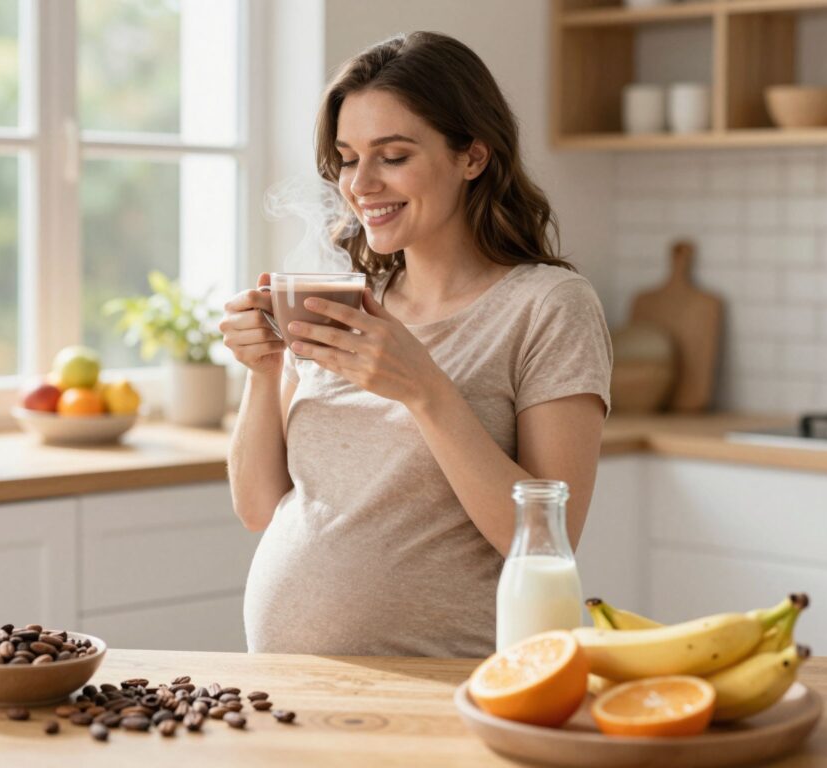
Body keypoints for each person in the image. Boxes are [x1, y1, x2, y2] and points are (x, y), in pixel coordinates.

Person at [219, 31, 612, 658]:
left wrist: (424, 391)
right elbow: (259, 507)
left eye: (393, 156)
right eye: (347, 158)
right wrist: (262, 371)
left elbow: (542, 544)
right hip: (289, 690)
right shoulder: (345, 298)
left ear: (473, 157)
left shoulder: (547, 306)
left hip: (447, 688)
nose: (361, 184)